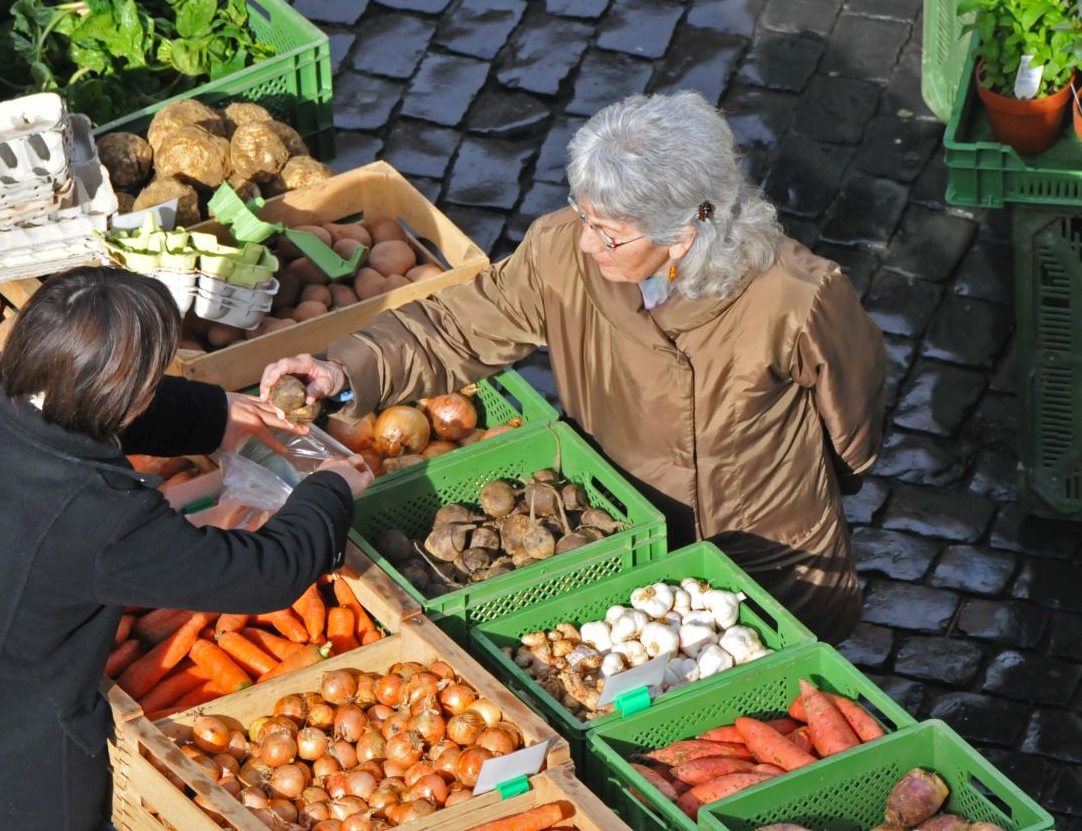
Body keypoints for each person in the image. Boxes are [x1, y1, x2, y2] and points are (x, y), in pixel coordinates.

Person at [262, 91, 885, 644]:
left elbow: (852, 426)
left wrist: (811, 493)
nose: (588, 242)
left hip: (766, 546)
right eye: (584, 216)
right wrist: (344, 370)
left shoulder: (796, 296)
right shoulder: (564, 253)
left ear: (686, 229)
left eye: (609, 232)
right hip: (622, 527)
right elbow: (456, 326)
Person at [0, 266, 372, 830]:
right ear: (128, 396)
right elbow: (262, 574)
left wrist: (216, 415)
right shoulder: (103, 515)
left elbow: (70, 404)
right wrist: (331, 487)